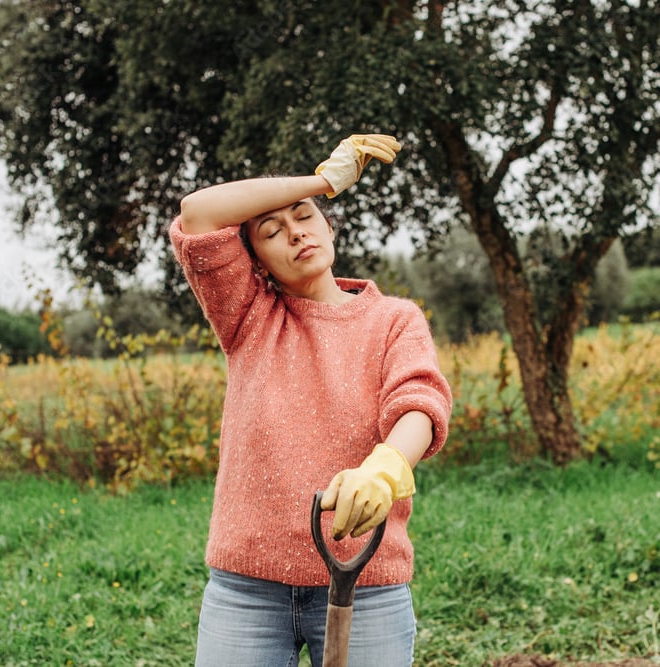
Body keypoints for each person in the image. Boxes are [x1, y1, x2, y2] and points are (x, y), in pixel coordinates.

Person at [169, 133, 453, 666]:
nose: (295, 233)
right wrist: (323, 182)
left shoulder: (394, 320)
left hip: (365, 583)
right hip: (246, 590)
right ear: (256, 262)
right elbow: (198, 212)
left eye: (305, 215)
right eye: (271, 231)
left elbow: (419, 402)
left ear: (328, 226)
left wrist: (386, 469)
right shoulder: (248, 317)